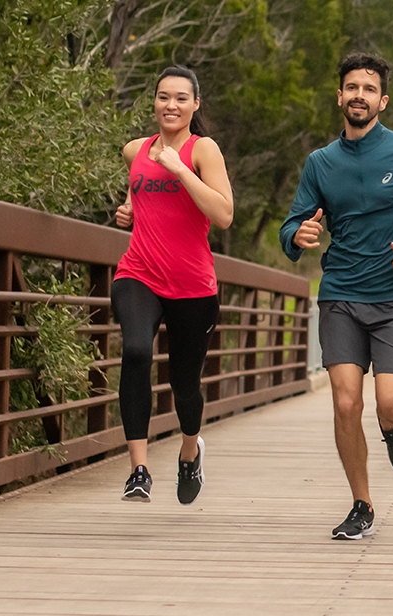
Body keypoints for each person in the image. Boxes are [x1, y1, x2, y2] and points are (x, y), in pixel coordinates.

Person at [279, 52, 393, 540]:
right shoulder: (321, 163)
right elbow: (292, 223)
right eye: (351, 87)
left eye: (368, 88)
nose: (359, 95)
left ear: (383, 99)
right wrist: (297, 236)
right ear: (339, 96)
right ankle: (362, 503)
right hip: (339, 295)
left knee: (392, 404)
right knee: (343, 403)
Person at [111, 66, 234, 505]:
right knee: (137, 351)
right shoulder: (135, 150)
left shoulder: (204, 151)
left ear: (195, 105)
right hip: (139, 273)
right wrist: (127, 211)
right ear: (155, 102)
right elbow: (138, 196)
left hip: (192, 285)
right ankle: (139, 470)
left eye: (181, 98)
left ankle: (189, 450)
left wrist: (180, 170)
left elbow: (223, 215)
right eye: (164, 97)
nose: (171, 105)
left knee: (184, 384)